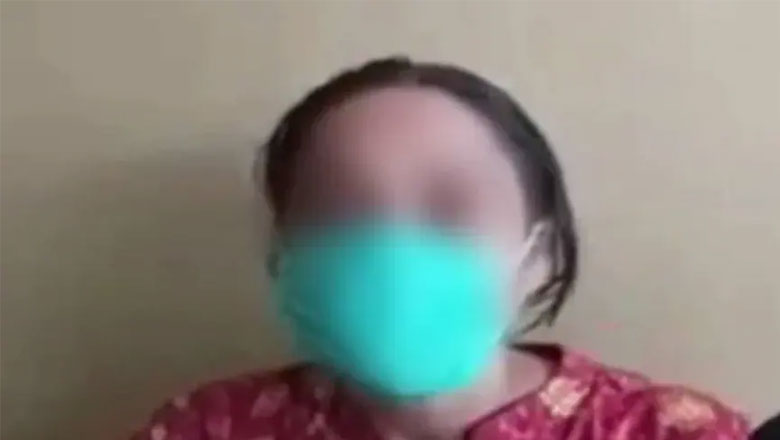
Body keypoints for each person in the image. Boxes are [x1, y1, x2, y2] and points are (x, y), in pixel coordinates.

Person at [131, 57, 749, 440]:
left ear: (537, 257)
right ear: (282, 250)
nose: (389, 243)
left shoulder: (665, 432)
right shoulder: (206, 429)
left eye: (451, 205)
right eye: (338, 206)